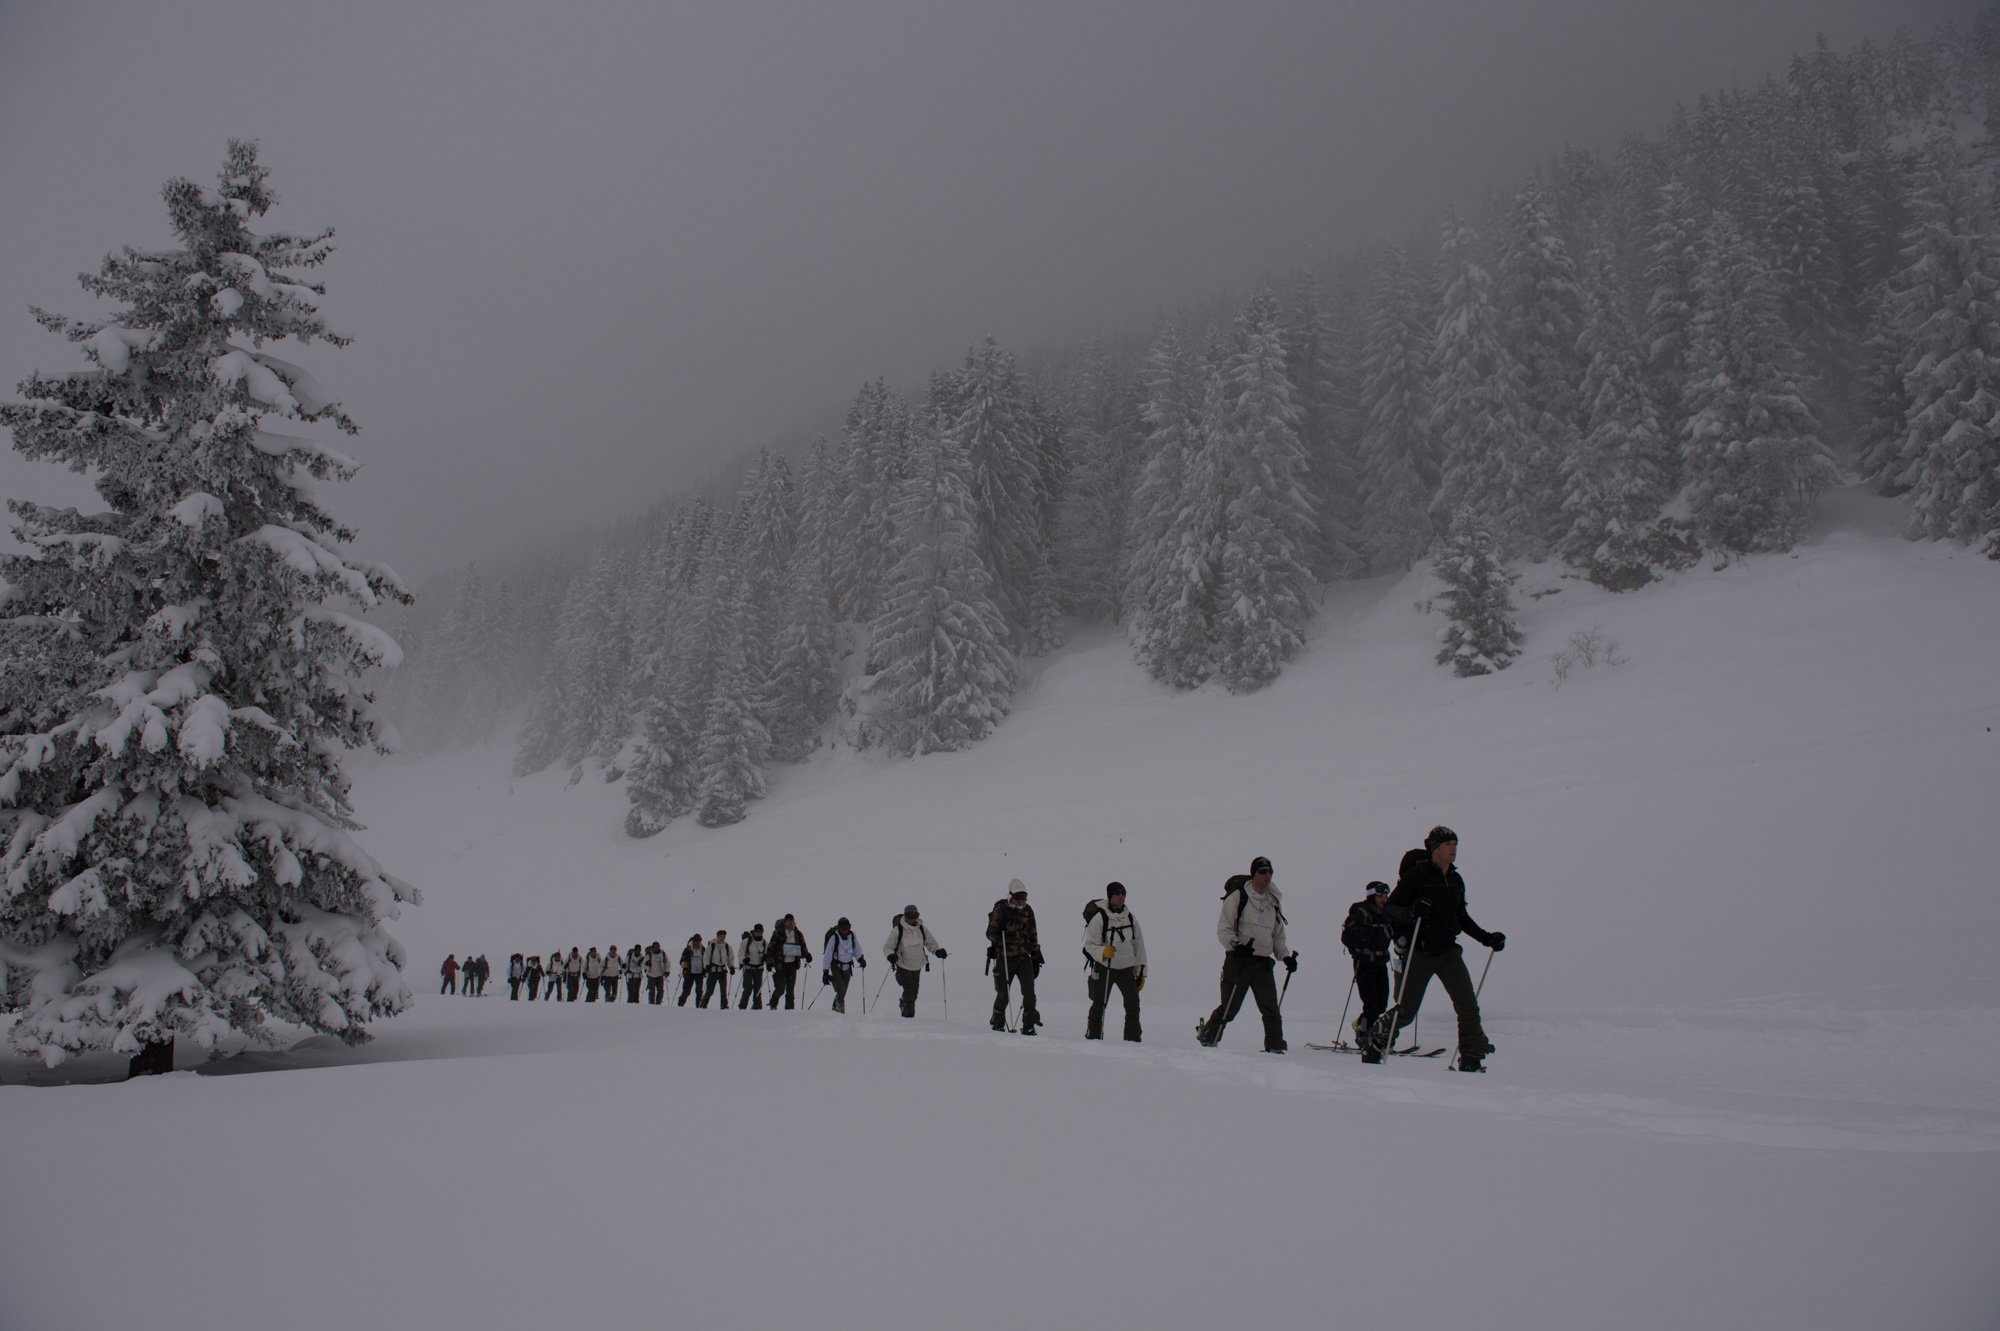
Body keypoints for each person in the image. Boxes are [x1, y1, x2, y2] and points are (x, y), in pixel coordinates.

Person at [1381, 826, 1506, 1072]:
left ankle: (1471, 1055)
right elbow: (1391, 909)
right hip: (1421, 952)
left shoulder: (1456, 879)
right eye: (1449, 844)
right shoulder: (1417, 876)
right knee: (1406, 1011)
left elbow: (1461, 916)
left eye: (1455, 844)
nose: (1454, 849)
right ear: (1435, 849)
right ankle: (1379, 1038)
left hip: (1449, 952)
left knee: (1467, 1005)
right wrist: (1413, 911)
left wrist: (1486, 938)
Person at [1196, 856, 1297, 1053]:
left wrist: (1285, 956)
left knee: (1270, 1009)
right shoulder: (1238, 897)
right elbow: (1223, 929)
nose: (1267, 876)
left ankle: (1275, 1047)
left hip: (1262, 963)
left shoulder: (1273, 902)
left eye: (1270, 872)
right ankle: (1209, 1036)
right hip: (1238, 961)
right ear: (1254, 874)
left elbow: (1277, 935)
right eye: (1262, 872)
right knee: (1230, 1007)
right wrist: (1236, 945)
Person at [1082, 881, 1147, 1042]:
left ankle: (1133, 1040)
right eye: (1117, 893)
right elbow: (1089, 945)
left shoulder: (1130, 918)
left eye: (1123, 893)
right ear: (1110, 896)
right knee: (1099, 1005)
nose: (1121, 897)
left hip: (1126, 969)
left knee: (1133, 1005)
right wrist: (1103, 952)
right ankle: (1094, 1036)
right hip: (1106, 967)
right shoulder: (1100, 918)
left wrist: (1141, 973)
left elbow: (1138, 945)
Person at [1342, 882, 1396, 1063]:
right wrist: (1365, 937)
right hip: (1364, 963)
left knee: (1381, 1003)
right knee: (1371, 1002)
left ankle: (1364, 1027)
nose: (1384, 899)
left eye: (1386, 895)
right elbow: (1347, 936)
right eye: (1381, 895)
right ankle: (1366, 1034)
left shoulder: (1386, 915)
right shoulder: (1361, 913)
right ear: (1372, 895)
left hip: (1380, 963)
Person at [985, 880, 1043, 1034]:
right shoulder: (1000, 909)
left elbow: (1033, 933)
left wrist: (1036, 954)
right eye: (1018, 898)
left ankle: (1028, 1024)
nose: (1021, 901)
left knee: (1029, 992)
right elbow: (989, 933)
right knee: (1003, 993)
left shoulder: (1028, 911)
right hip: (1005, 958)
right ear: (1010, 895)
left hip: (1024, 958)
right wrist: (997, 933)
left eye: (1023, 898)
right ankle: (998, 1022)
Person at [883, 905, 947, 1018]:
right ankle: (908, 1015)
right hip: (903, 964)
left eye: (915, 915)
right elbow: (888, 947)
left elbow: (931, 943)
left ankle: (904, 1002)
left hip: (918, 964)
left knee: (914, 991)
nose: (912, 918)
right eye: (909, 915)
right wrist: (890, 956)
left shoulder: (922, 929)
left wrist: (937, 951)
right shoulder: (898, 930)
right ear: (905, 916)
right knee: (909, 987)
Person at [821, 917, 866, 1013]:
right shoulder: (834, 938)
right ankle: (840, 1010)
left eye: (847, 928)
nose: (846, 931)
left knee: (843, 990)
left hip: (847, 966)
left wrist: (860, 959)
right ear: (839, 928)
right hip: (835, 965)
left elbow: (857, 949)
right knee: (841, 989)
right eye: (843, 929)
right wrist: (825, 971)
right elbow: (828, 955)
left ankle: (835, 1007)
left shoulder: (852, 936)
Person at [768, 914, 812, 1009]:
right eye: (789, 921)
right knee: (780, 988)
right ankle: (773, 1005)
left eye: (792, 921)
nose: (791, 923)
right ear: (785, 922)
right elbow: (771, 947)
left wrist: (807, 955)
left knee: (790, 990)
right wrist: (769, 961)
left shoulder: (798, 933)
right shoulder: (778, 933)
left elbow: (803, 946)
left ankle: (790, 1011)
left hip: (792, 964)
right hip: (780, 964)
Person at [738, 924, 769, 1009]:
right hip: (748, 968)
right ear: (754, 931)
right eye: (757, 931)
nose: (759, 933)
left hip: (759, 968)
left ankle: (757, 1007)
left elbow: (768, 954)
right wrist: (743, 960)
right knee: (747, 989)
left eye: (761, 931)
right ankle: (742, 1007)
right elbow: (740, 954)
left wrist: (766, 958)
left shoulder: (764, 942)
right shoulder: (746, 941)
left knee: (757, 989)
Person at [703, 929, 734, 1008]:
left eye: (724, 936)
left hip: (723, 971)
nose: (722, 937)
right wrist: (706, 965)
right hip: (713, 970)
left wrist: (731, 967)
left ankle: (724, 1005)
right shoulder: (712, 946)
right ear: (717, 936)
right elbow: (706, 957)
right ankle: (703, 1005)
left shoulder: (727, 947)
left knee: (723, 990)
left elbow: (730, 958)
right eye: (720, 936)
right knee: (709, 991)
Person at [677, 934, 706, 1007]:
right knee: (686, 991)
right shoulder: (687, 949)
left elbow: (706, 960)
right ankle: (681, 1004)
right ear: (693, 941)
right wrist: (684, 964)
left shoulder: (703, 949)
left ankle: (698, 1006)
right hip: (689, 973)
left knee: (699, 991)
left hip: (700, 973)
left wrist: (706, 969)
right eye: (696, 941)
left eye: (699, 941)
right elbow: (682, 960)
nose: (697, 942)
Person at [644, 941, 669, 1005]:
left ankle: (658, 1002)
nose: (657, 948)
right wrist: (647, 964)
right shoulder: (649, 954)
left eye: (658, 946)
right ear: (653, 947)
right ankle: (651, 1003)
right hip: (651, 975)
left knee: (660, 991)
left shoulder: (663, 953)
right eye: (656, 947)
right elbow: (643, 964)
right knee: (652, 991)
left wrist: (667, 971)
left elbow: (667, 963)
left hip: (660, 975)